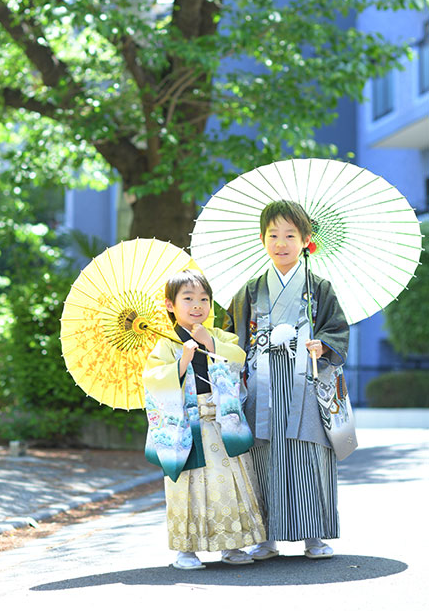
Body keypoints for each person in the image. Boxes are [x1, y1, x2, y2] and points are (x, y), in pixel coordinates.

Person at [223, 200, 350, 560]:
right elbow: (232, 336)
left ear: (306, 239)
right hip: (261, 384)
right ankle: (266, 538)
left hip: (305, 382)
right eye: (273, 234)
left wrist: (322, 344)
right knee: (261, 456)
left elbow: (338, 330)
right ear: (262, 239)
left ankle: (314, 536)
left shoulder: (319, 288)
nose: (281, 242)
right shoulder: (249, 290)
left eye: (290, 235)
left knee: (309, 453)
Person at [142, 269, 266, 570]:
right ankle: (186, 550)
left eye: (203, 299)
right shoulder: (165, 344)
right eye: (188, 298)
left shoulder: (219, 336)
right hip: (187, 426)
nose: (197, 305)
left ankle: (233, 544)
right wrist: (182, 360)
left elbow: (237, 358)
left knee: (230, 483)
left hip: (221, 422)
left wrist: (211, 344)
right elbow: (154, 381)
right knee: (189, 487)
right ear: (170, 305)